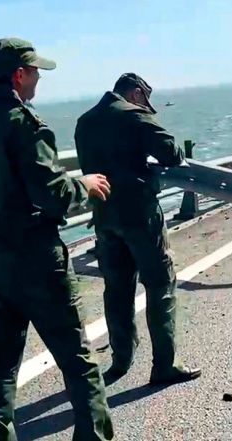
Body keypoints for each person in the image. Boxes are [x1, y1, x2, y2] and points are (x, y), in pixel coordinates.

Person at [0, 38, 114, 441]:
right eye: (35, 72)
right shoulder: (23, 122)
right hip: (37, 257)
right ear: (19, 74)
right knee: (76, 357)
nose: (37, 80)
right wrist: (83, 184)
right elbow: (52, 195)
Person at [74, 73, 201, 386]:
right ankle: (165, 365)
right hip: (139, 213)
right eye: (145, 98)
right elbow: (171, 153)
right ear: (134, 93)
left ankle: (121, 359)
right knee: (160, 284)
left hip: (104, 214)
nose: (146, 104)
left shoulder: (85, 121)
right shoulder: (134, 116)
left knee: (116, 288)